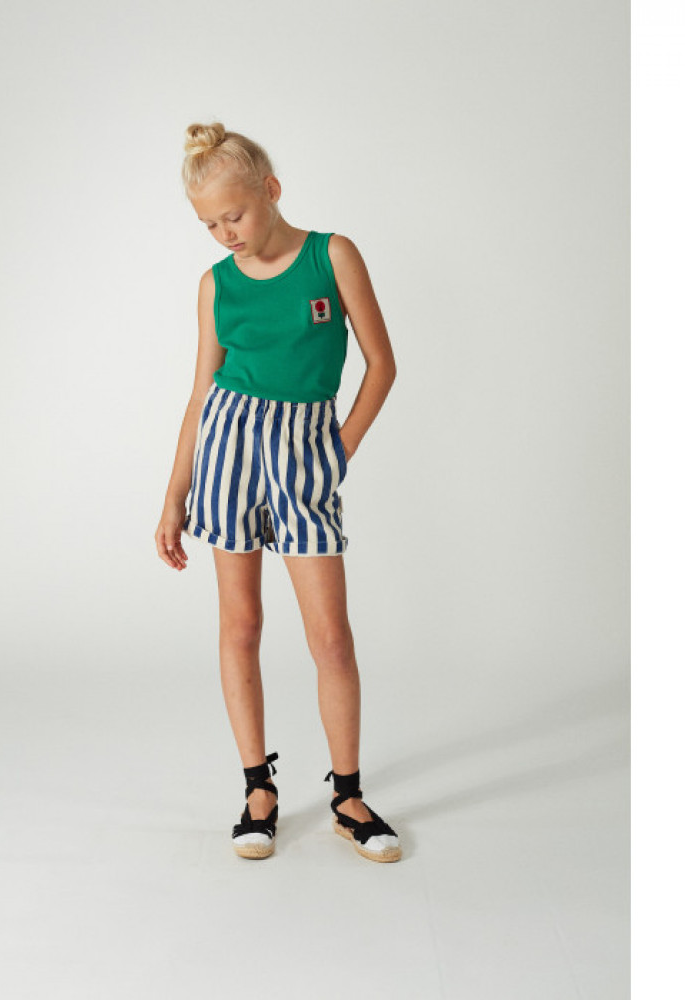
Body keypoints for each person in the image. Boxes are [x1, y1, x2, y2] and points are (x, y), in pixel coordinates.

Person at [155, 122, 401, 863]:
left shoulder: (333, 255)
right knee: (241, 625)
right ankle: (257, 790)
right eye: (209, 224)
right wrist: (174, 494)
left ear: (271, 189)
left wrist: (338, 449)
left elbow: (382, 365)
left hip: (306, 448)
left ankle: (348, 797)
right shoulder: (215, 285)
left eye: (233, 215)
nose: (225, 234)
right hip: (228, 447)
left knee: (331, 636)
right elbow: (202, 393)